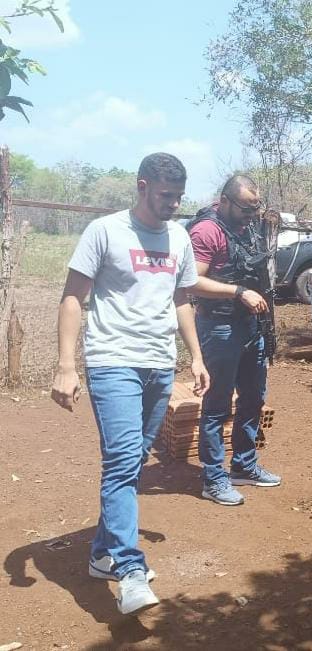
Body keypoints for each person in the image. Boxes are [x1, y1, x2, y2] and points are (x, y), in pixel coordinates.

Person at [51, 153, 209, 616]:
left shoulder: (179, 236)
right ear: (142, 187)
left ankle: (102, 554)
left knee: (134, 461)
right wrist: (65, 365)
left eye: (179, 197)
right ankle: (130, 569)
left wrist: (196, 357)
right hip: (112, 360)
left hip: (159, 364)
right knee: (121, 461)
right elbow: (72, 297)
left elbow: (181, 300)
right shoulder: (105, 231)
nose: (173, 205)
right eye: (165, 195)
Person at [188, 174, 280, 506]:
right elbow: (191, 281)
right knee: (217, 404)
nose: (252, 215)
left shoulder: (247, 225)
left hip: (251, 325)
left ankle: (244, 466)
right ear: (225, 201)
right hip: (220, 328)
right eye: (246, 209)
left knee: (253, 398)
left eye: (256, 208)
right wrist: (238, 292)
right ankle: (214, 479)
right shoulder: (206, 231)